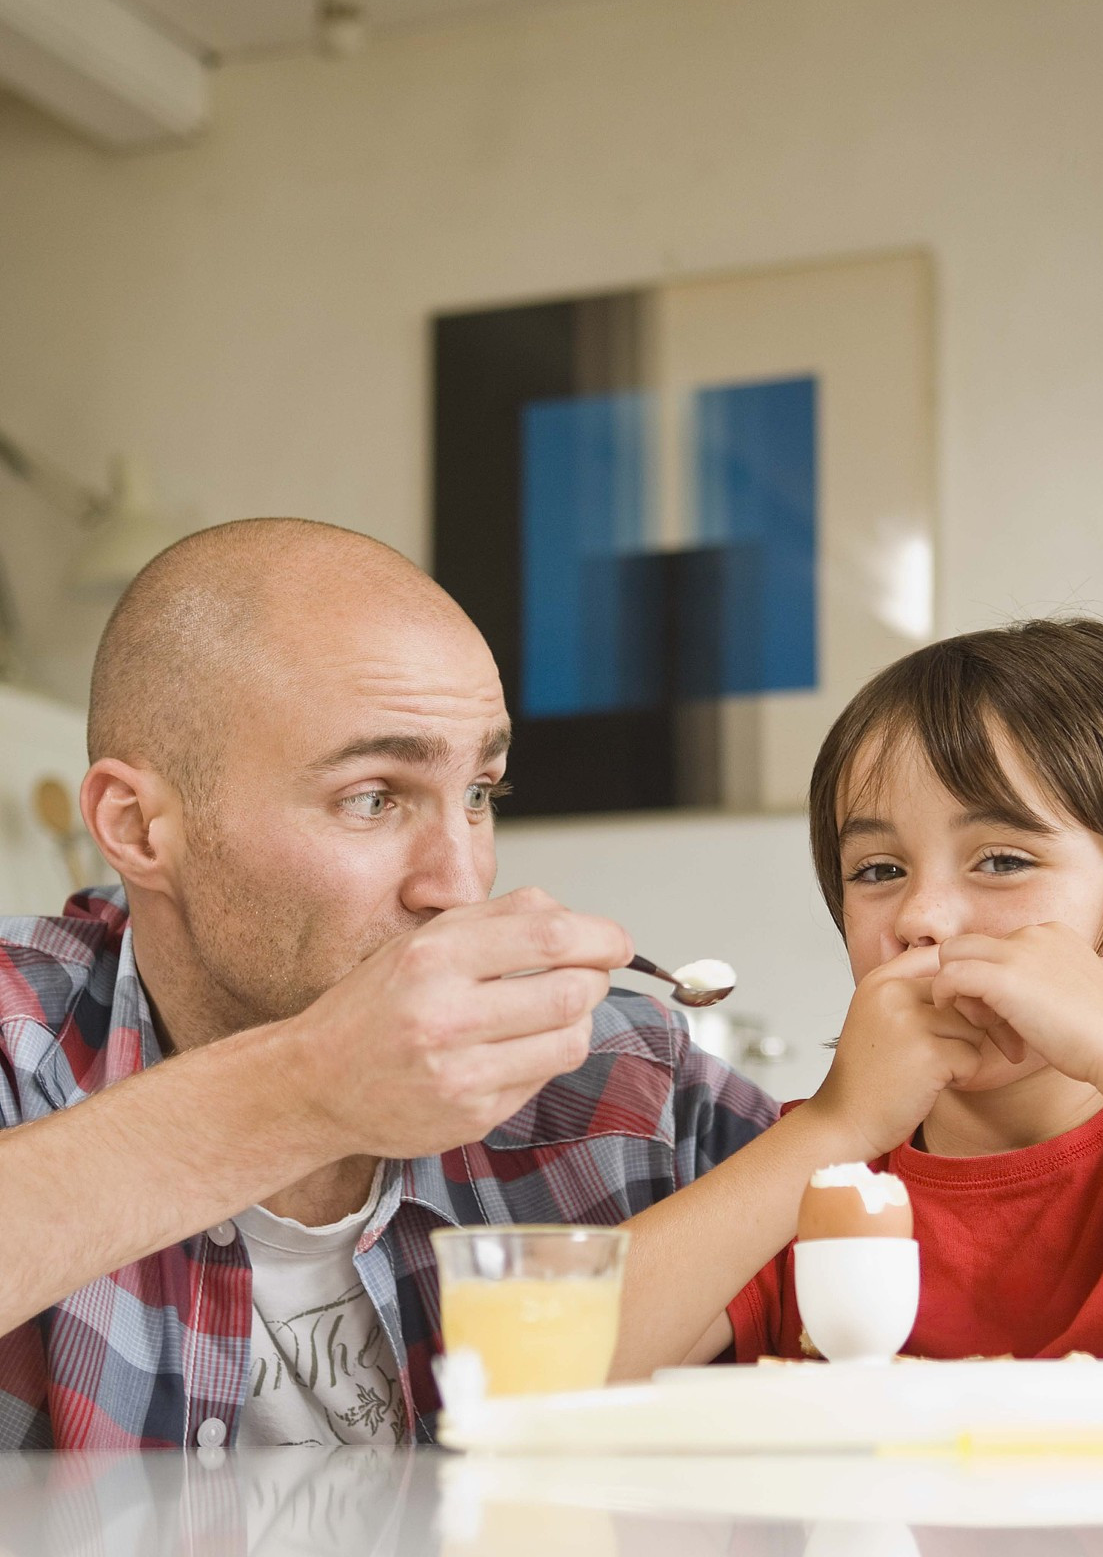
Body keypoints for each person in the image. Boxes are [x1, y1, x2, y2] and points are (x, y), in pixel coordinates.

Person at [0, 519, 774, 1449]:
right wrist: (308, 1090)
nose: (458, 882)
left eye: (481, 793)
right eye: (372, 797)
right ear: (136, 828)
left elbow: (912, 1247)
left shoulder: (621, 1079)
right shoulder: (20, 1027)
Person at [607, 618, 1103, 1381]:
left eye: (1002, 860)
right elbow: (544, 1377)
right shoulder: (813, 1172)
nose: (920, 918)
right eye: (876, 871)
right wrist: (839, 1124)